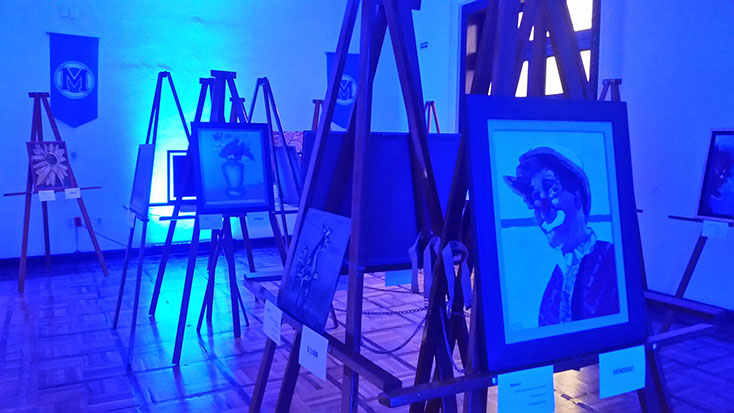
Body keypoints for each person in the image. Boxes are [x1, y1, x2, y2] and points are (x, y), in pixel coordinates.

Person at [504, 147, 619, 326]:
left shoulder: (612, 260)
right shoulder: (555, 275)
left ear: (578, 197)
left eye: (552, 189)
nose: (540, 204)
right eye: (535, 195)